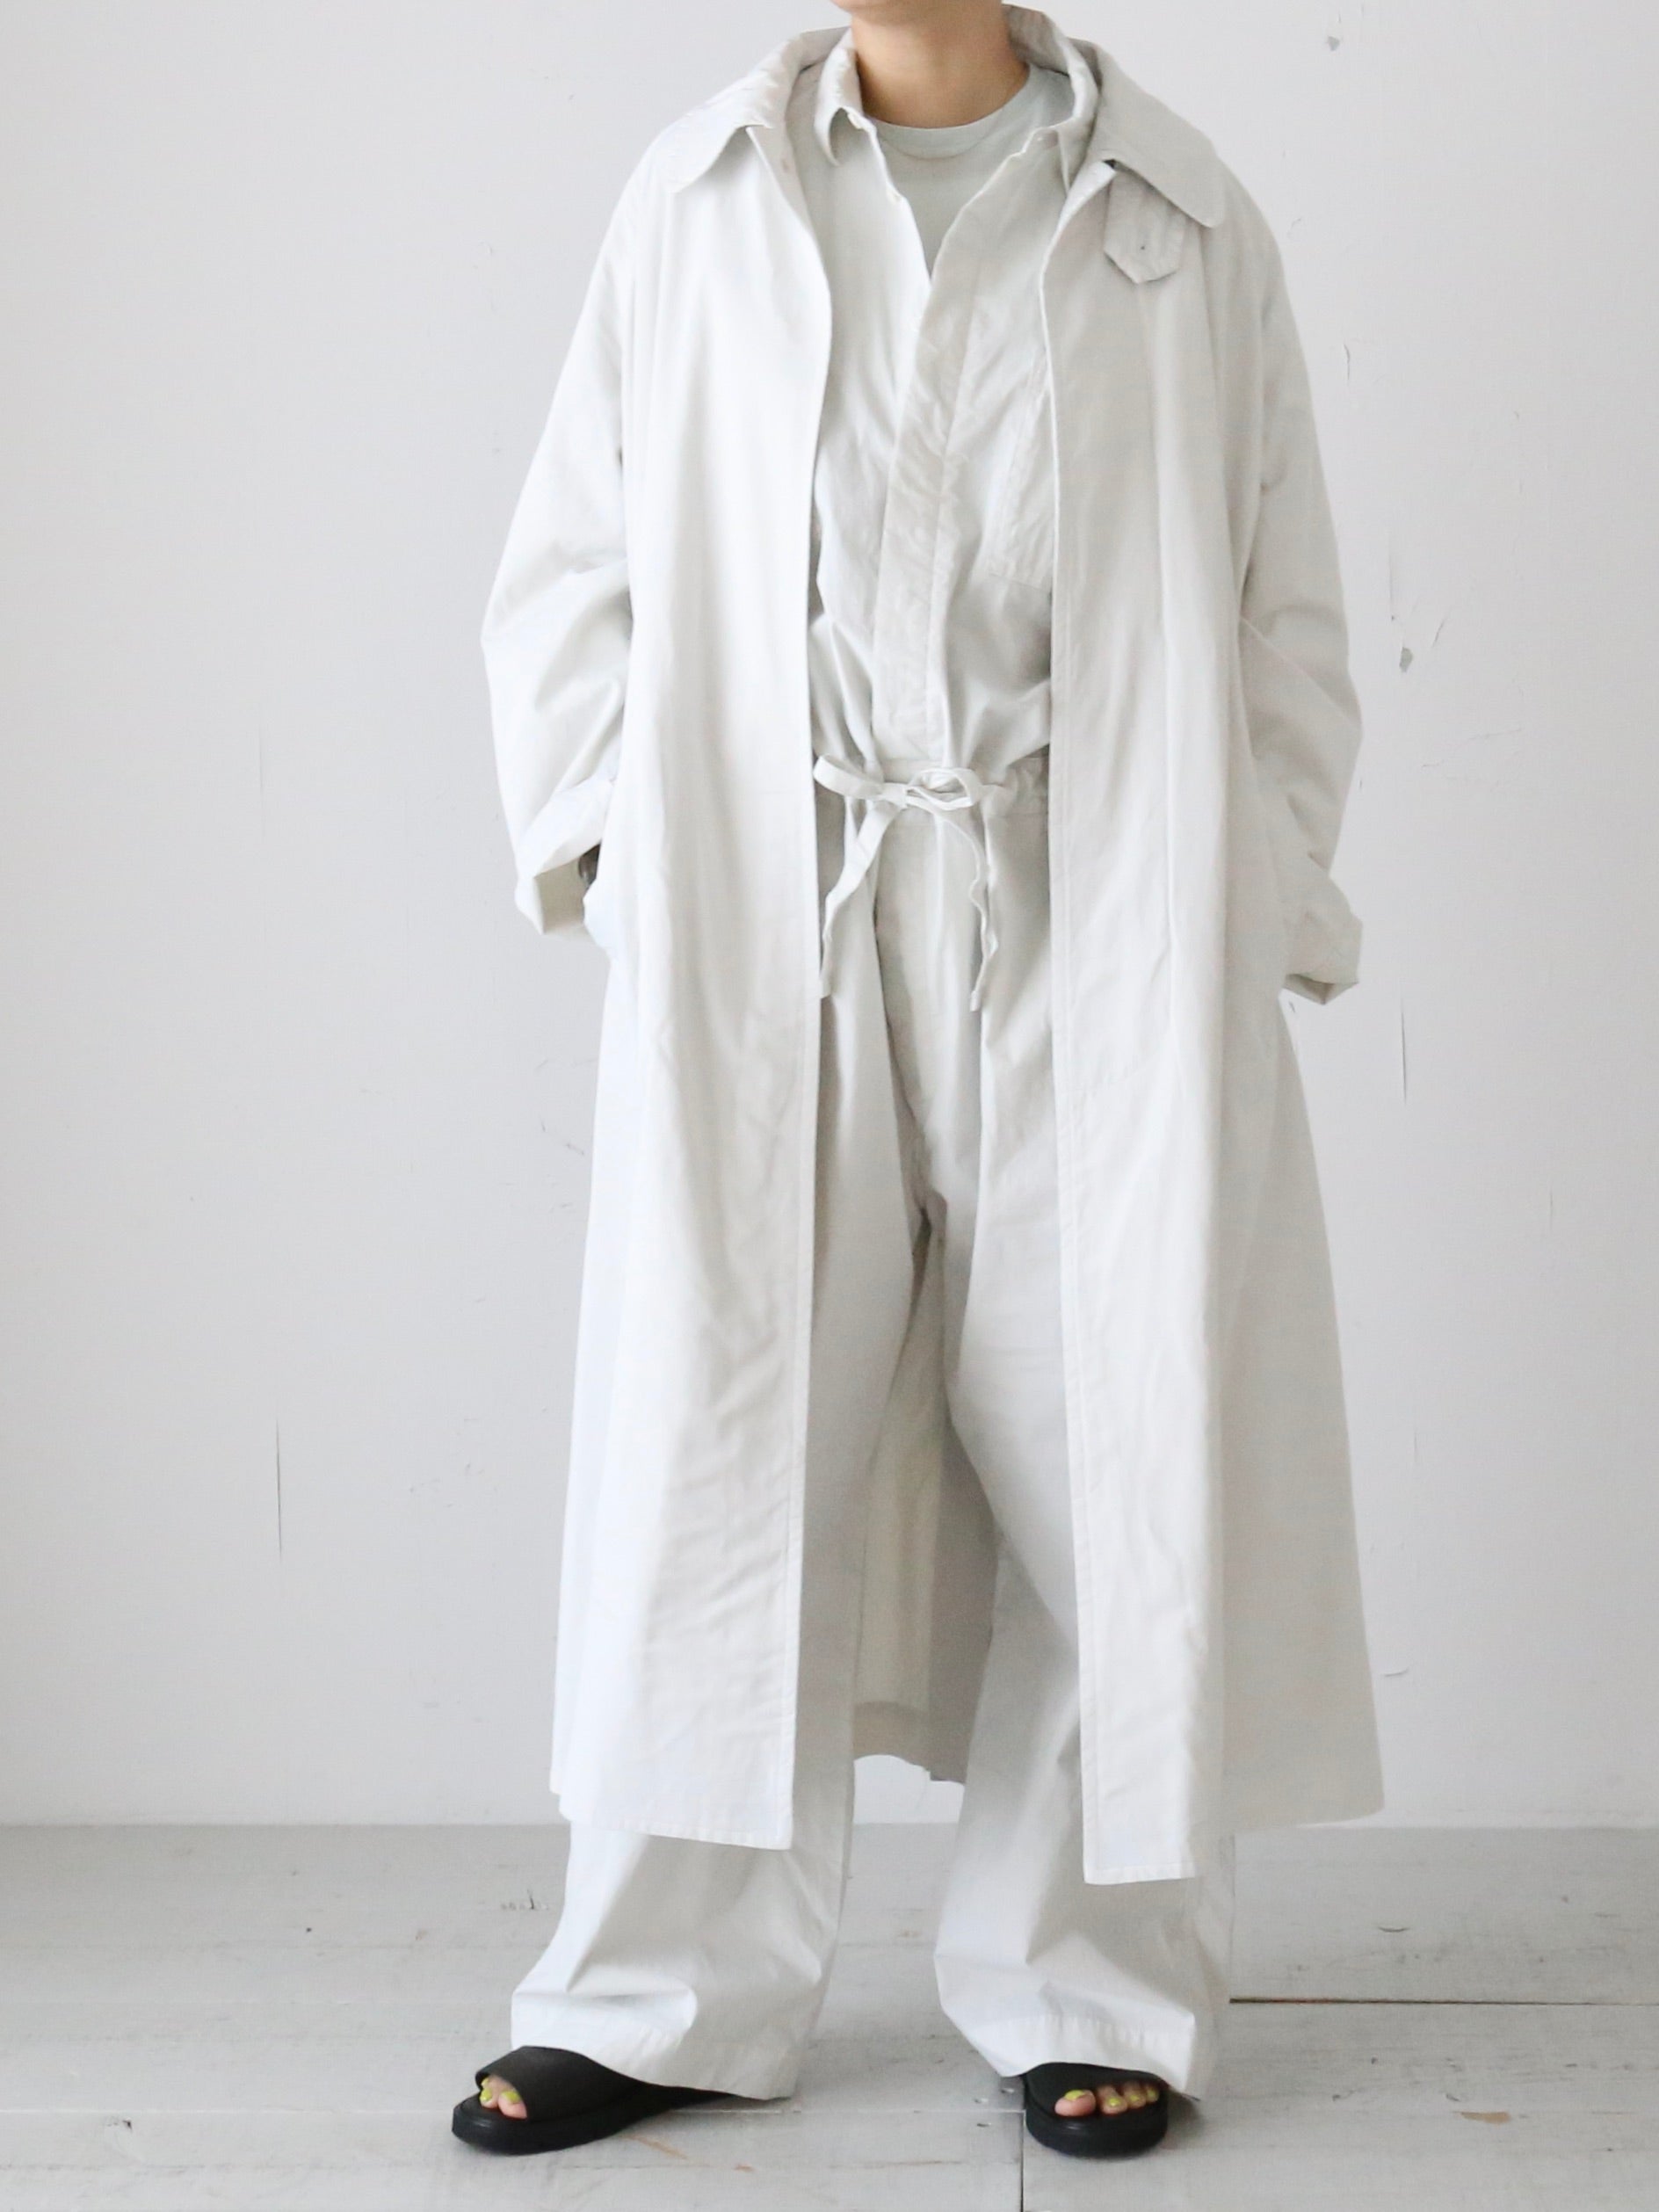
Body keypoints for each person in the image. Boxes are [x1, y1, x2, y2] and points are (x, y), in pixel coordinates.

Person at [456, 0, 1381, 2165]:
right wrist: (618, 862)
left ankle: (1093, 1978)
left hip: (1093, 895)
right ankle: (658, 1985)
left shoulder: (1172, 217)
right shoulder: (701, 201)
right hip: (780, 894)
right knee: (723, 1423)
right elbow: (575, 560)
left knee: (1102, 1426)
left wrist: (1246, 888)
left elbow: (1281, 602)